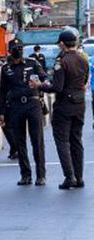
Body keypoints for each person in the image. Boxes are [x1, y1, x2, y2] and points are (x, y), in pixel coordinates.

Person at [38, 28, 89, 189]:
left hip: (64, 105)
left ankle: (69, 176)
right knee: (76, 140)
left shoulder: (62, 61)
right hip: (80, 104)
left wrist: (40, 86)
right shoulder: (83, 60)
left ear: (62, 44)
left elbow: (57, 87)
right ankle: (79, 177)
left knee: (62, 141)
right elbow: (85, 80)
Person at [0, 38, 47, 186]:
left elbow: (45, 78)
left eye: (20, 47)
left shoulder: (32, 63)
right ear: (9, 51)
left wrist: (40, 84)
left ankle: (41, 175)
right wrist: (2, 113)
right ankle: (25, 175)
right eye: (15, 48)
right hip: (16, 106)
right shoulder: (6, 69)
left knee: (37, 141)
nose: (18, 50)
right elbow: (3, 92)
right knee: (20, 142)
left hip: (33, 104)